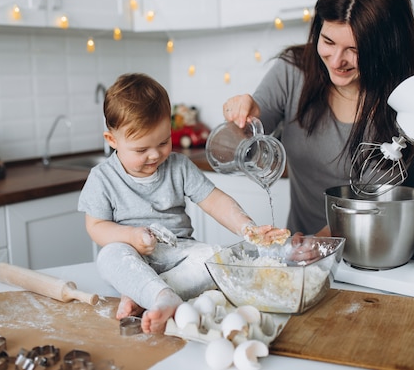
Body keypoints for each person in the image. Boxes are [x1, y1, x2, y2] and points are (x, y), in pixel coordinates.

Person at [78, 73, 289, 334]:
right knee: (108, 256)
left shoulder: (178, 166)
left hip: (180, 253)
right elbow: (96, 226)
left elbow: (215, 201)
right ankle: (155, 293)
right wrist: (130, 236)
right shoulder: (102, 178)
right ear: (112, 141)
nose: (155, 155)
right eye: (141, 150)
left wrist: (247, 228)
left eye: (164, 142)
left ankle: (147, 294)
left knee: (215, 258)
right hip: (131, 253)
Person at [223, 0, 414, 236]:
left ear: (387, 49)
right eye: (328, 41)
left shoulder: (404, 106)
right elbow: (242, 143)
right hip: (303, 245)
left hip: (369, 249)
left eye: (355, 50)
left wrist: (315, 244)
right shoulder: (292, 71)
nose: (337, 60)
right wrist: (244, 117)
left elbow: (367, 205)